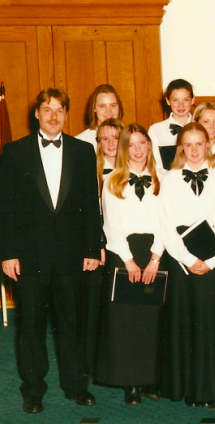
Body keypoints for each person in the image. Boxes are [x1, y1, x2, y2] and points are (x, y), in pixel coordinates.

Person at [0, 88, 103, 414]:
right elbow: (7, 208)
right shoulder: (14, 153)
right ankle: (33, 390)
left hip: (72, 257)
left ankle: (76, 385)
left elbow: (90, 204)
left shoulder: (84, 151)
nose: (54, 116)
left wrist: (92, 247)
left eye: (60, 110)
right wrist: (9, 253)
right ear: (37, 114)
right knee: (31, 325)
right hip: (30, 258)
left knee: (72, 323)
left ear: (66, 114)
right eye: (48, 109)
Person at [158, 122, 215, 407]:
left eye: (198, 144)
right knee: (185, 325)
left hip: (214, 263)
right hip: (182, 263)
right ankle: (189, 390)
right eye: (187, 144)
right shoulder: (170, 179)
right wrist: (188, 260)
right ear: (181, 147)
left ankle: (211, 391)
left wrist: (211, 262)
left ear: (208, 145)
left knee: (211, 327)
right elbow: (166, 225)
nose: (193, 150)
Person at [95, 123, 164, 405]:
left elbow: (166, 222)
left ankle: (150, 380)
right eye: (131, 144)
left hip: (155, 254)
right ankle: (130, 384)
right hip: (123, 254)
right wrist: (129, 261)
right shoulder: (113, 181)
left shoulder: (163, 181)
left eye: (142, 143)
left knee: (152, 319)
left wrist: (156, 257)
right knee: (126, 320)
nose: (137, 150)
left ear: (149, 145)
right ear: (125, 149)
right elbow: (112, 226)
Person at [83, 118, 123, 383]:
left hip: (122, 247)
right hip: (98, 245)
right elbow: (86, 214)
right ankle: (89, 366)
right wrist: (97, 244)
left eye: (115, 138)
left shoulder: (134, 166)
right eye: (104, 139)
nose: (110, 144)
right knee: (93, 305)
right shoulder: (90, 170)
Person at [149, 79, 195, 174]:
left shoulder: (201, 127)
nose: (181, 105)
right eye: (175, 100)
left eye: (186, 100)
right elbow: (156, 167)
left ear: (192, 100)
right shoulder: (156, 131)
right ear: (168, 101)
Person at [76, 84, 124, 149]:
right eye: (102, 106)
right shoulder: (80, 141)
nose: (108, 111)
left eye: (113, 105)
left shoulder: (129, 137)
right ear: (94, 108)